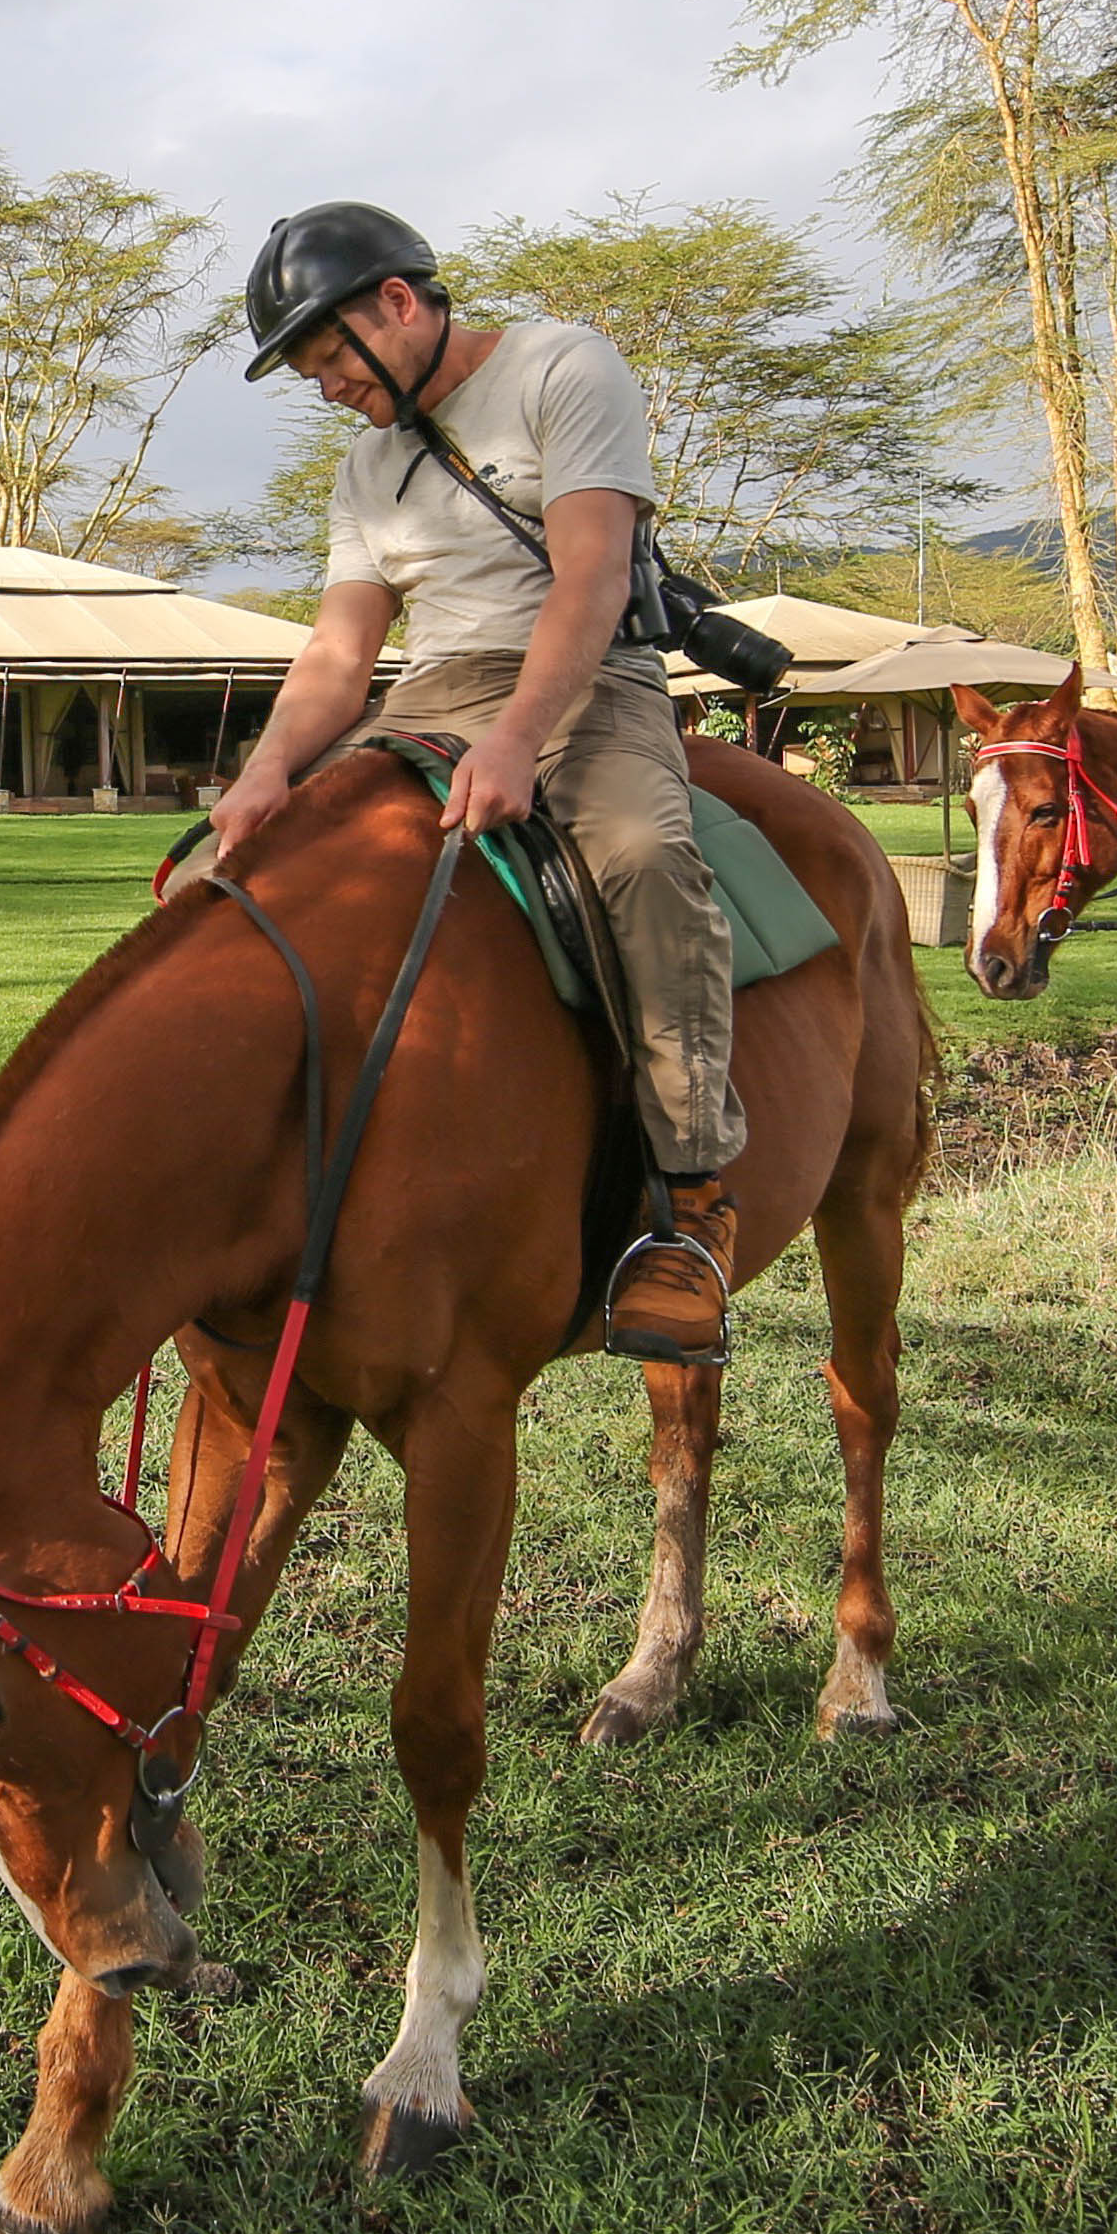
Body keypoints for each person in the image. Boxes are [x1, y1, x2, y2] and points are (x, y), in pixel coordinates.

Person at [197, 200, 746, 1364]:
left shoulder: (563, 363)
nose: (328, 387)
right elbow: (343, 652)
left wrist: (519, 737)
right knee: (215, 881)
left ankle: (692, 1207)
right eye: (308, 373)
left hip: (588, 681)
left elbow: (592, 579)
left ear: (398, 303)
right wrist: (264, 774)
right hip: (430, 692)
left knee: (644, 861)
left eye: (332, 356)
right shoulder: (365, 465)